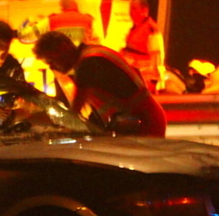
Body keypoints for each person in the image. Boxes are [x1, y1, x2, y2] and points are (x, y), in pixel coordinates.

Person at [33, 30, 166, 136]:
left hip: (142, 125)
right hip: (141, 122)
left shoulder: (89, 63)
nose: (51, 67)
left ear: (63, 47)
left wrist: (59, 128)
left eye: (51, 60)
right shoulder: (92, 54)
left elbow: (75, 111)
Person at [122, 0, 167, 92]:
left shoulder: (151, 30)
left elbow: (157, 58)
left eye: (134, 9)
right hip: (134, 81)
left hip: (145, 82)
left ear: (144, 10)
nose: (130, 12)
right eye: (130, 9)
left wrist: (153, 82)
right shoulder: (133, 30)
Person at [18, 0, 95, 46]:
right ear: (76, 4)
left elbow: (23, 35)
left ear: (61, 7)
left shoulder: (51, 21)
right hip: (84, 65)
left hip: (60, 66)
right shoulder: (89, 20)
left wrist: (28, 20)